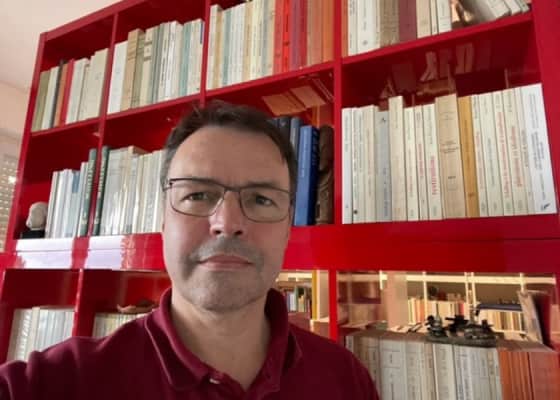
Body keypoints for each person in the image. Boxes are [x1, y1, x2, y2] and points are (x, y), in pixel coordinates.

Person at [0, 102, 378, 399]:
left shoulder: (346, 379)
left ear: (287, 230)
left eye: (262, 199)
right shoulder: (59, 383)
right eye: (198, 194)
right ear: (163, 222)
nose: (227, 223)